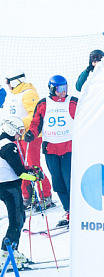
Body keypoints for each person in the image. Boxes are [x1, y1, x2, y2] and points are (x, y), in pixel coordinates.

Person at [26, 75, 77, 229]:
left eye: (65, 88)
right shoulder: (43, 104)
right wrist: (31, 133)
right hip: (51, 150)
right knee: (58, 183)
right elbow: (36, 123)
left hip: (69, 148)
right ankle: (68, 211)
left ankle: (77, 211)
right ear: (52, 89)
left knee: (70, 182)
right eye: (60, 89)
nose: (63, 91)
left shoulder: (73, 102)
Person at [4, 70, 54, 210]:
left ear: (16, 80)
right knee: (20, 167)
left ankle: (45, 196)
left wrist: (18, 124)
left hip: (30, 136)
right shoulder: (13, 95)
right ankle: (27, 196)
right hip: (16, 136)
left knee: (34, 165)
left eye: (8, 81)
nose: (7, 85)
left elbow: (35, 115)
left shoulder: (28, 93)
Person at [0, 115, 42, 268]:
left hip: (5, 185)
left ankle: (11, 250)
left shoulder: (3, 142)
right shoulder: (9, 146)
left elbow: (15, 166)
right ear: (11, 130)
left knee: (19, 217)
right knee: (17, 220)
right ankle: (7, 253)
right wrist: (35, 176)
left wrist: (30, 169)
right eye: (20, 132)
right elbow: (20, 172)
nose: (20, 135)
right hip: (9, 186)